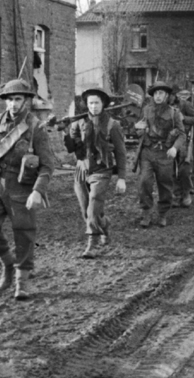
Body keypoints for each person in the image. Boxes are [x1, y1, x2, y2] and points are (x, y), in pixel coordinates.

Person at [0, 79, 58, 300]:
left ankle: (22, 283)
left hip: (22, 187)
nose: (13, 104)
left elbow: (48, 165)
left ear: (27, 101)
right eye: (10, 100)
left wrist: (38, 191)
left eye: (18, 99)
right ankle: (7, 262)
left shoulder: (35, 128)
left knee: (24, 233)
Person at [67, 86, 127, 259]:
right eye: (90, 103)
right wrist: (65, 130)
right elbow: (71, 147)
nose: (93, 107)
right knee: (86, 209)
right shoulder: (78, 123)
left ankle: (91, 245)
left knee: (94, 203)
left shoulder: (112, 125)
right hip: (82, 169)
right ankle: (104, 224)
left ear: (103, 104)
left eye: (97, 103)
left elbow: (121, 152)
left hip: (102, 170)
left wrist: (121, 178)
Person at [134, 82, 186, 227]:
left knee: (165, 184)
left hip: (165, 153)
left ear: (167, 96)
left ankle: (162, 213)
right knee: (144, 181)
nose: (158, 96)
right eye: (156, 93)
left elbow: (182, 134)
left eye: (161, 93)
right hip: (148, 151)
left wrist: (175, 148)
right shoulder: (146, 110)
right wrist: (138, 128)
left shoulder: (174, 113)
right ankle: (146, 213)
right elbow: (139, 129)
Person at [172, 89, 194, 208]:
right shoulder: (162, 106)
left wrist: (184, 118)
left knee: (184, 169)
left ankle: (186, 194)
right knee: (170, 170)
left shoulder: (185, 105)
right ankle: (176, 194)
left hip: (185, 140)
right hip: (169, 141)